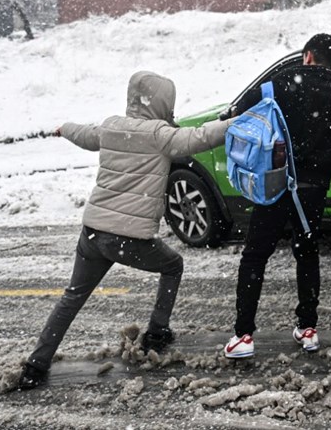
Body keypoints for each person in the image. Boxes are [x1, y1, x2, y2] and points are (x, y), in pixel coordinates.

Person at [16, 71, 232, 390]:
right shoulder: (159, 134)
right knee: (173, 265)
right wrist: (232, 124)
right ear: (161, 102)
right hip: (128, 237)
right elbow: (199, 137)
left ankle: (36, 364)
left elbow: (85, 133)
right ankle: (157, 332)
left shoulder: (112, 126)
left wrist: (64, 128)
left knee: (72, 297)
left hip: (92, 233)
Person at [223, 33, 331, 359]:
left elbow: (239, 114)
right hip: (314, 189)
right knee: (307, 252)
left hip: (274, 183)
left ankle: (244, 335)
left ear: (307, 56)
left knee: (255, 255)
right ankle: (308, 328)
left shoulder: (279, 84)